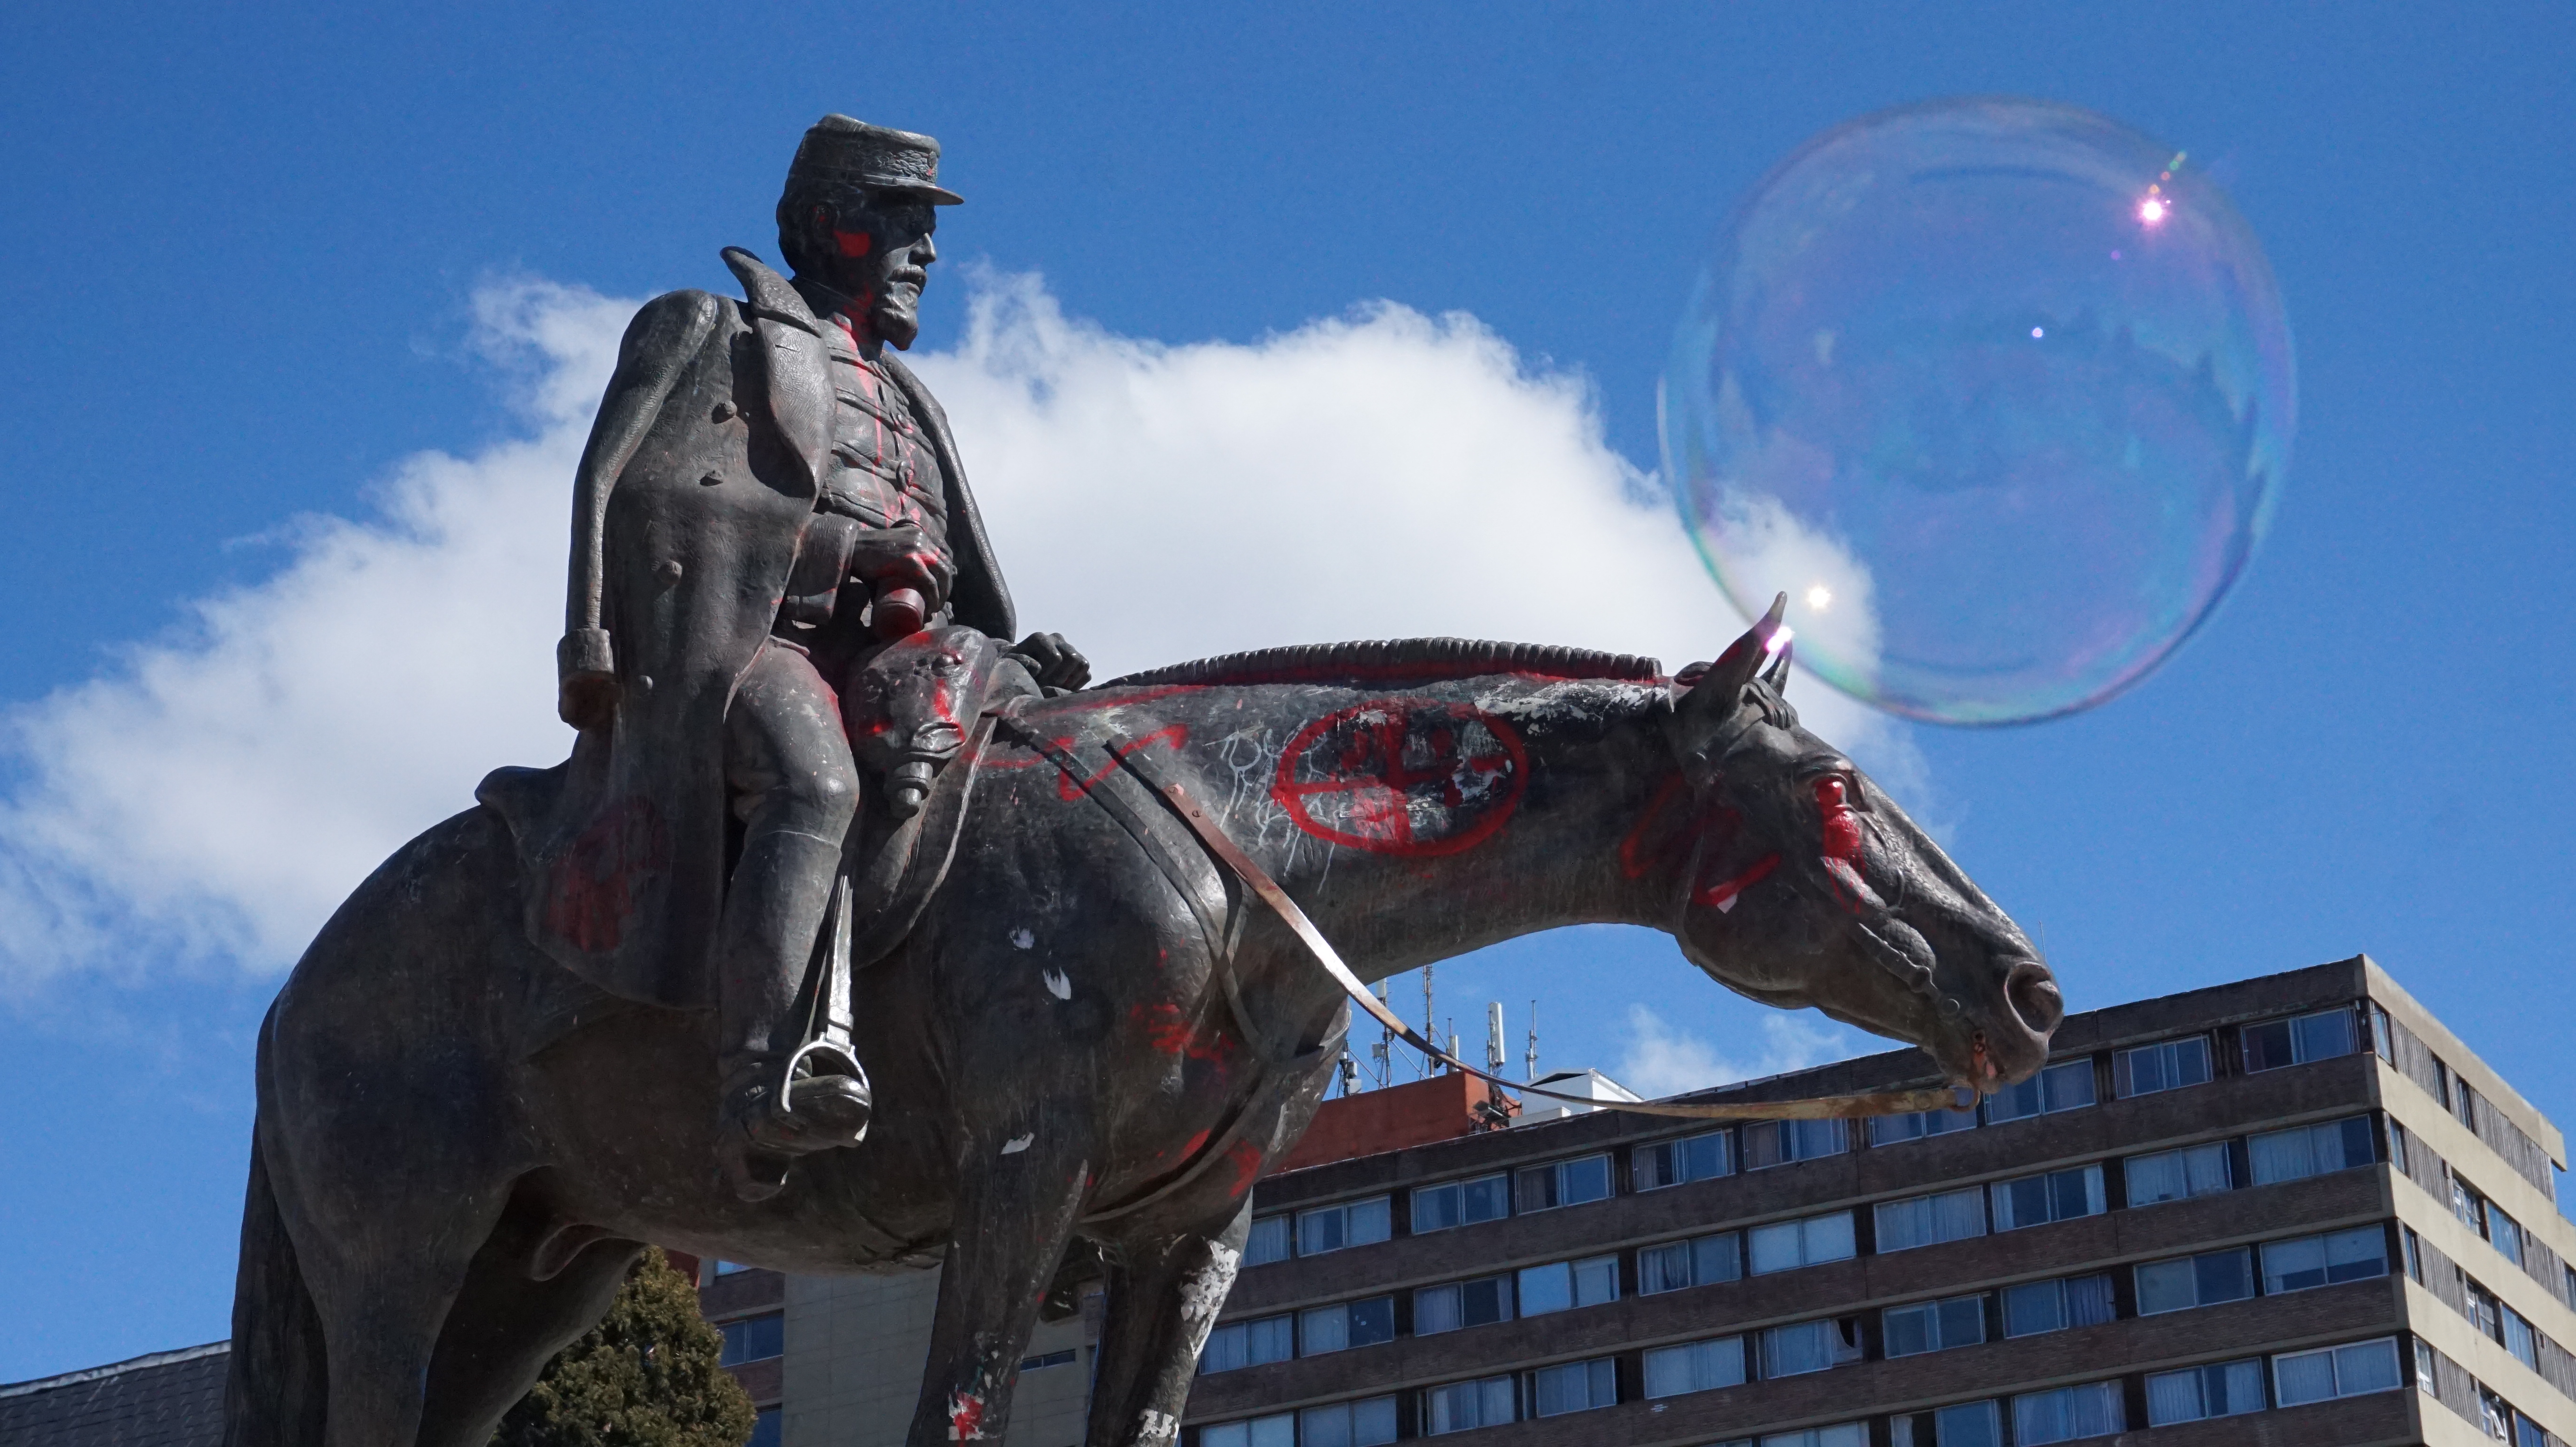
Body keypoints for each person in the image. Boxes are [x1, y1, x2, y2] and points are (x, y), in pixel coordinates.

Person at [529, 115, 1085, 1200]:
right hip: (760, 643)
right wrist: (844, 549)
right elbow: (642, 498)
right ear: (830, 223)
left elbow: (957, 568)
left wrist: (1010, 649)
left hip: (911, 652)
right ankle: (758, 1078)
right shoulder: (713, 331)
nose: (928, 252)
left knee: (1046, 782)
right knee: (812, 782)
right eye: (904, 222)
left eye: (929, 228)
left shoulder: (914, 398)